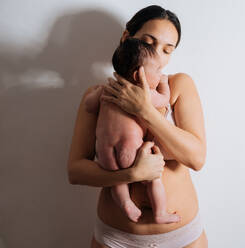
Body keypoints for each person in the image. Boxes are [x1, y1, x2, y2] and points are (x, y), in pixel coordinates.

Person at [67, 5, 208, 248]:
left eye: (167, 50)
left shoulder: (177, 86)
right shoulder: (101, 95)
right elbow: (76, 171)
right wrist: (130, 175)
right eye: (148, 42)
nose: (157, 55)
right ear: (126, 39)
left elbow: (196, 158)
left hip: (181, 239)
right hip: (116, 238)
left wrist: (144, 110)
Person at [84, 37, 180, 224]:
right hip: (132, 150)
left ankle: (126, 203)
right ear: (138, 76)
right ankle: (160, 212)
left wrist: (98, 91)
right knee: (153, 178)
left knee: (116, 181)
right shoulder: (142, 92)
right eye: (158, 70)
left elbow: (89, 105)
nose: (161, 73)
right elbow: (163, 100)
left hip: (104, 153)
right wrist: (164, 84)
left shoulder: (108, 89)